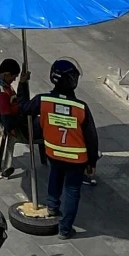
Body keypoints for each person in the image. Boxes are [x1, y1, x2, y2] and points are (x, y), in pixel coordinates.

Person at [32, 59, 99, 237]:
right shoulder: (81, 107)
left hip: (53, 152)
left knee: (55, 175)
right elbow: (91, 138)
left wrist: (22, 84)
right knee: (72, 190)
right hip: (77, 159)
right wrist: (92, 162)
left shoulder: (42, 100)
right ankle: (65, 229)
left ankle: (52, 206)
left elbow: (24, 109)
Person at [0, 57, 29, 176]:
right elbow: (8, 121)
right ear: (7, 74)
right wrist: (25, 117)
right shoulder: (2, 94)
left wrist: (23, 83)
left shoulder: (4, 85)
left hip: (18, 118)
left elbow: (19, 101)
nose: (14, 80)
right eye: (14, 77)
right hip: (18, 127)